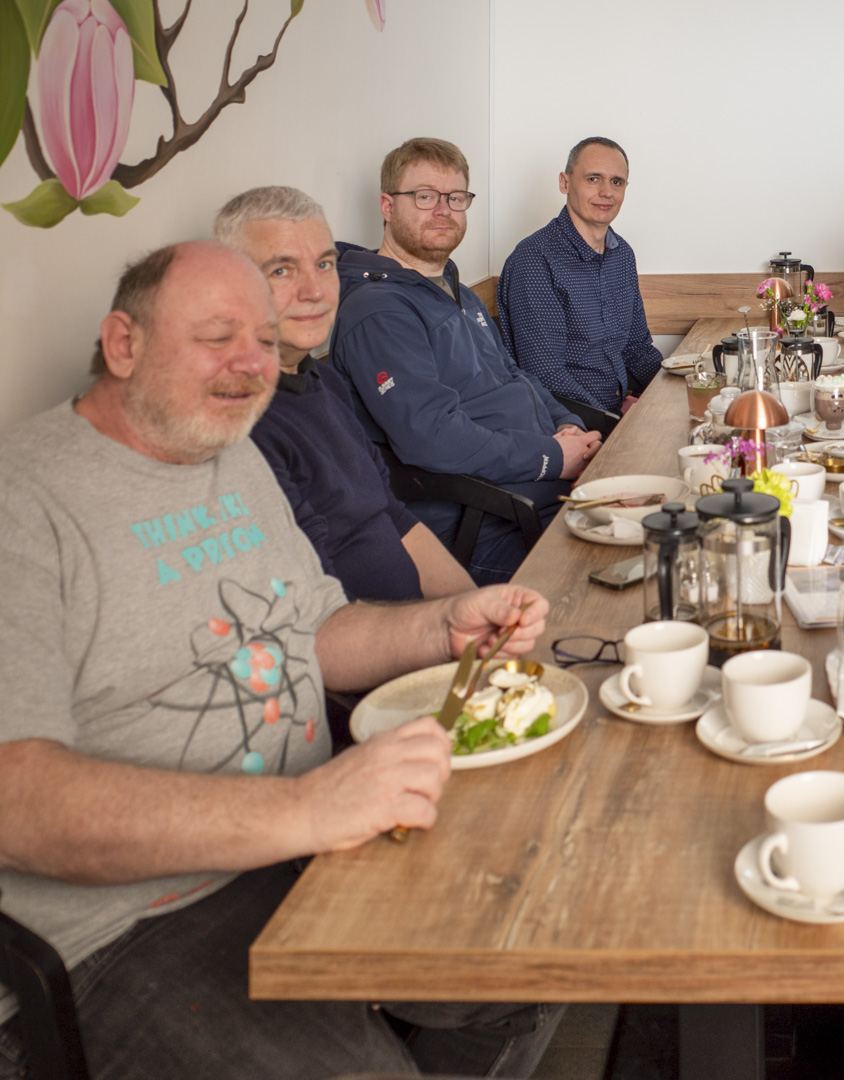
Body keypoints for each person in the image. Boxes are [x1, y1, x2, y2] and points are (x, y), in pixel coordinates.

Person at [0, 242, 565, 1080]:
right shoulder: (25, 501)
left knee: (541, 949)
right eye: (217, 337)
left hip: (308, 843)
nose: (250, 365)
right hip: (126, 924)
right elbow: (18, 801)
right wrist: (307, 808)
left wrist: (440, 627)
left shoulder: (232, 455)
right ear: (123, 344)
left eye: (264, 341)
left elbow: (317, 629)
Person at [330, 137, 602, 586]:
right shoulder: (378, 311)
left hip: (543, 493)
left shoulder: (458, 293)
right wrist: (552, 457)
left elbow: (515, 375)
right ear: (387, 205)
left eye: (456, 198)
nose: (444, 210)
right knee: (624, 571)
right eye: (425, 196)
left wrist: (566, 424)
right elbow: (432, 437)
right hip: (483, 528)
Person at [214, 185, 475, 603]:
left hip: (420, 616)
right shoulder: (238, 425)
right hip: (372, 635)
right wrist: (444, 624)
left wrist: (470, 604)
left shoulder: (324, 381)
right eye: (281, 270)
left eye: (323, 264)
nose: (315, 290)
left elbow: (392, 514)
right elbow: (315, 610)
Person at [498, 137, 662, 430]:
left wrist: (671, 392)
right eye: (593, 179)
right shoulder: (534, 260)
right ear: (565, 183)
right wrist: (614, 421)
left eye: (616, 182)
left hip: (617, 411)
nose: (606, 192)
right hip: (570, 424)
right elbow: (545, 375)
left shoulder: (622, 254)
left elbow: (637, 348)